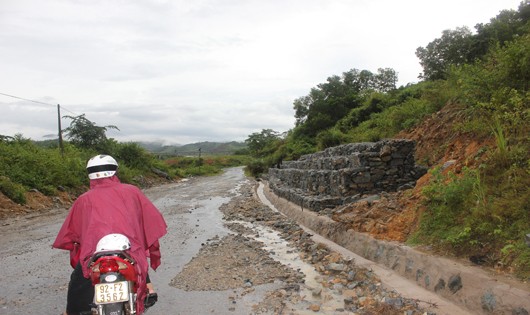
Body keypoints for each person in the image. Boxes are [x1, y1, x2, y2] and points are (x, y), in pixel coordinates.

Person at [53, 154, 168, 315]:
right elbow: (148, 219)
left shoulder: (83, 199)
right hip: (127, 250)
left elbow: (73, 231)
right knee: (136, 255)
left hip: (95, 253)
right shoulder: (132, 191)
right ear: (114, 171)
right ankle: (148, 286)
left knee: (78, 281)